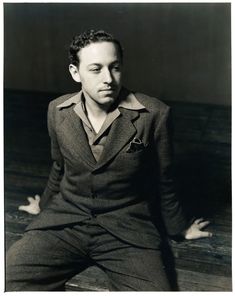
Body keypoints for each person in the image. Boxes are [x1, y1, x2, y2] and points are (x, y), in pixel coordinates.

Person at [6, 29, 212, 291]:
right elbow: (59, 167)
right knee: (8, 279)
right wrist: (44, 205)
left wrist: (178, 228)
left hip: (127, 231)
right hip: (65, 222)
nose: (108, 79)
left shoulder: (154, 114)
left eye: (114, 68)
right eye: (95, 69)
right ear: (75, 72)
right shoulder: (57, 111)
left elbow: (165, 178)